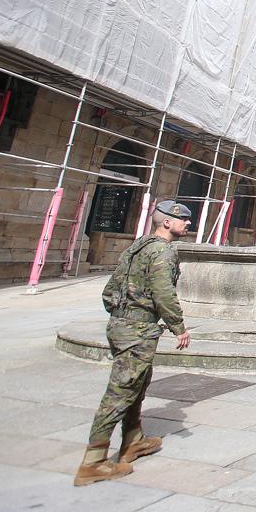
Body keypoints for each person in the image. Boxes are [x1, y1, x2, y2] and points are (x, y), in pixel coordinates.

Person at [75, 199, 192, 486]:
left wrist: (121, 315)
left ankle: (133, 439)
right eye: (183, 219)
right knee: (120, 392)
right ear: (167, 222)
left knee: (137, 384)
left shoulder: (137, 246)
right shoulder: (163, 252)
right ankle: (93, 462)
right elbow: (163, 292)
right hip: (137, 329)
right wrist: (178, 326)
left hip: (121, 324)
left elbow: (110, 289)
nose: (188, 223)